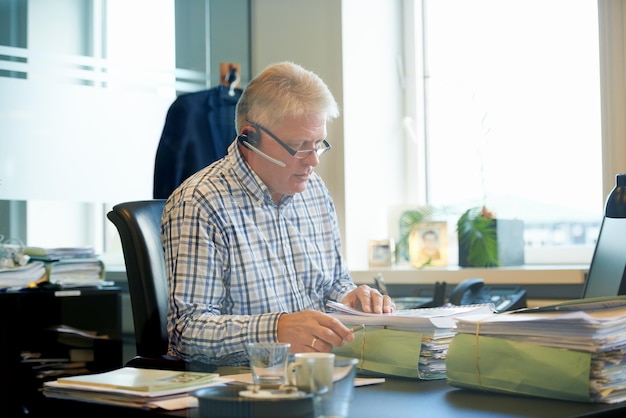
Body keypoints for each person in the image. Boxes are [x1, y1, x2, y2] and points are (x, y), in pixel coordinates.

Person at [161, 61, 396, 368]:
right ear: (250, 138)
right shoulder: (200, 203)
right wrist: (276, 330)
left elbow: (333, 283)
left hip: (316, 375)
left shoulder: (315, 192)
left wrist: (352, 298)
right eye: (299, 146)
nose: (314, 161)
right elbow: (187, 333)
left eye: (318, 144)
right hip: (246, 390)